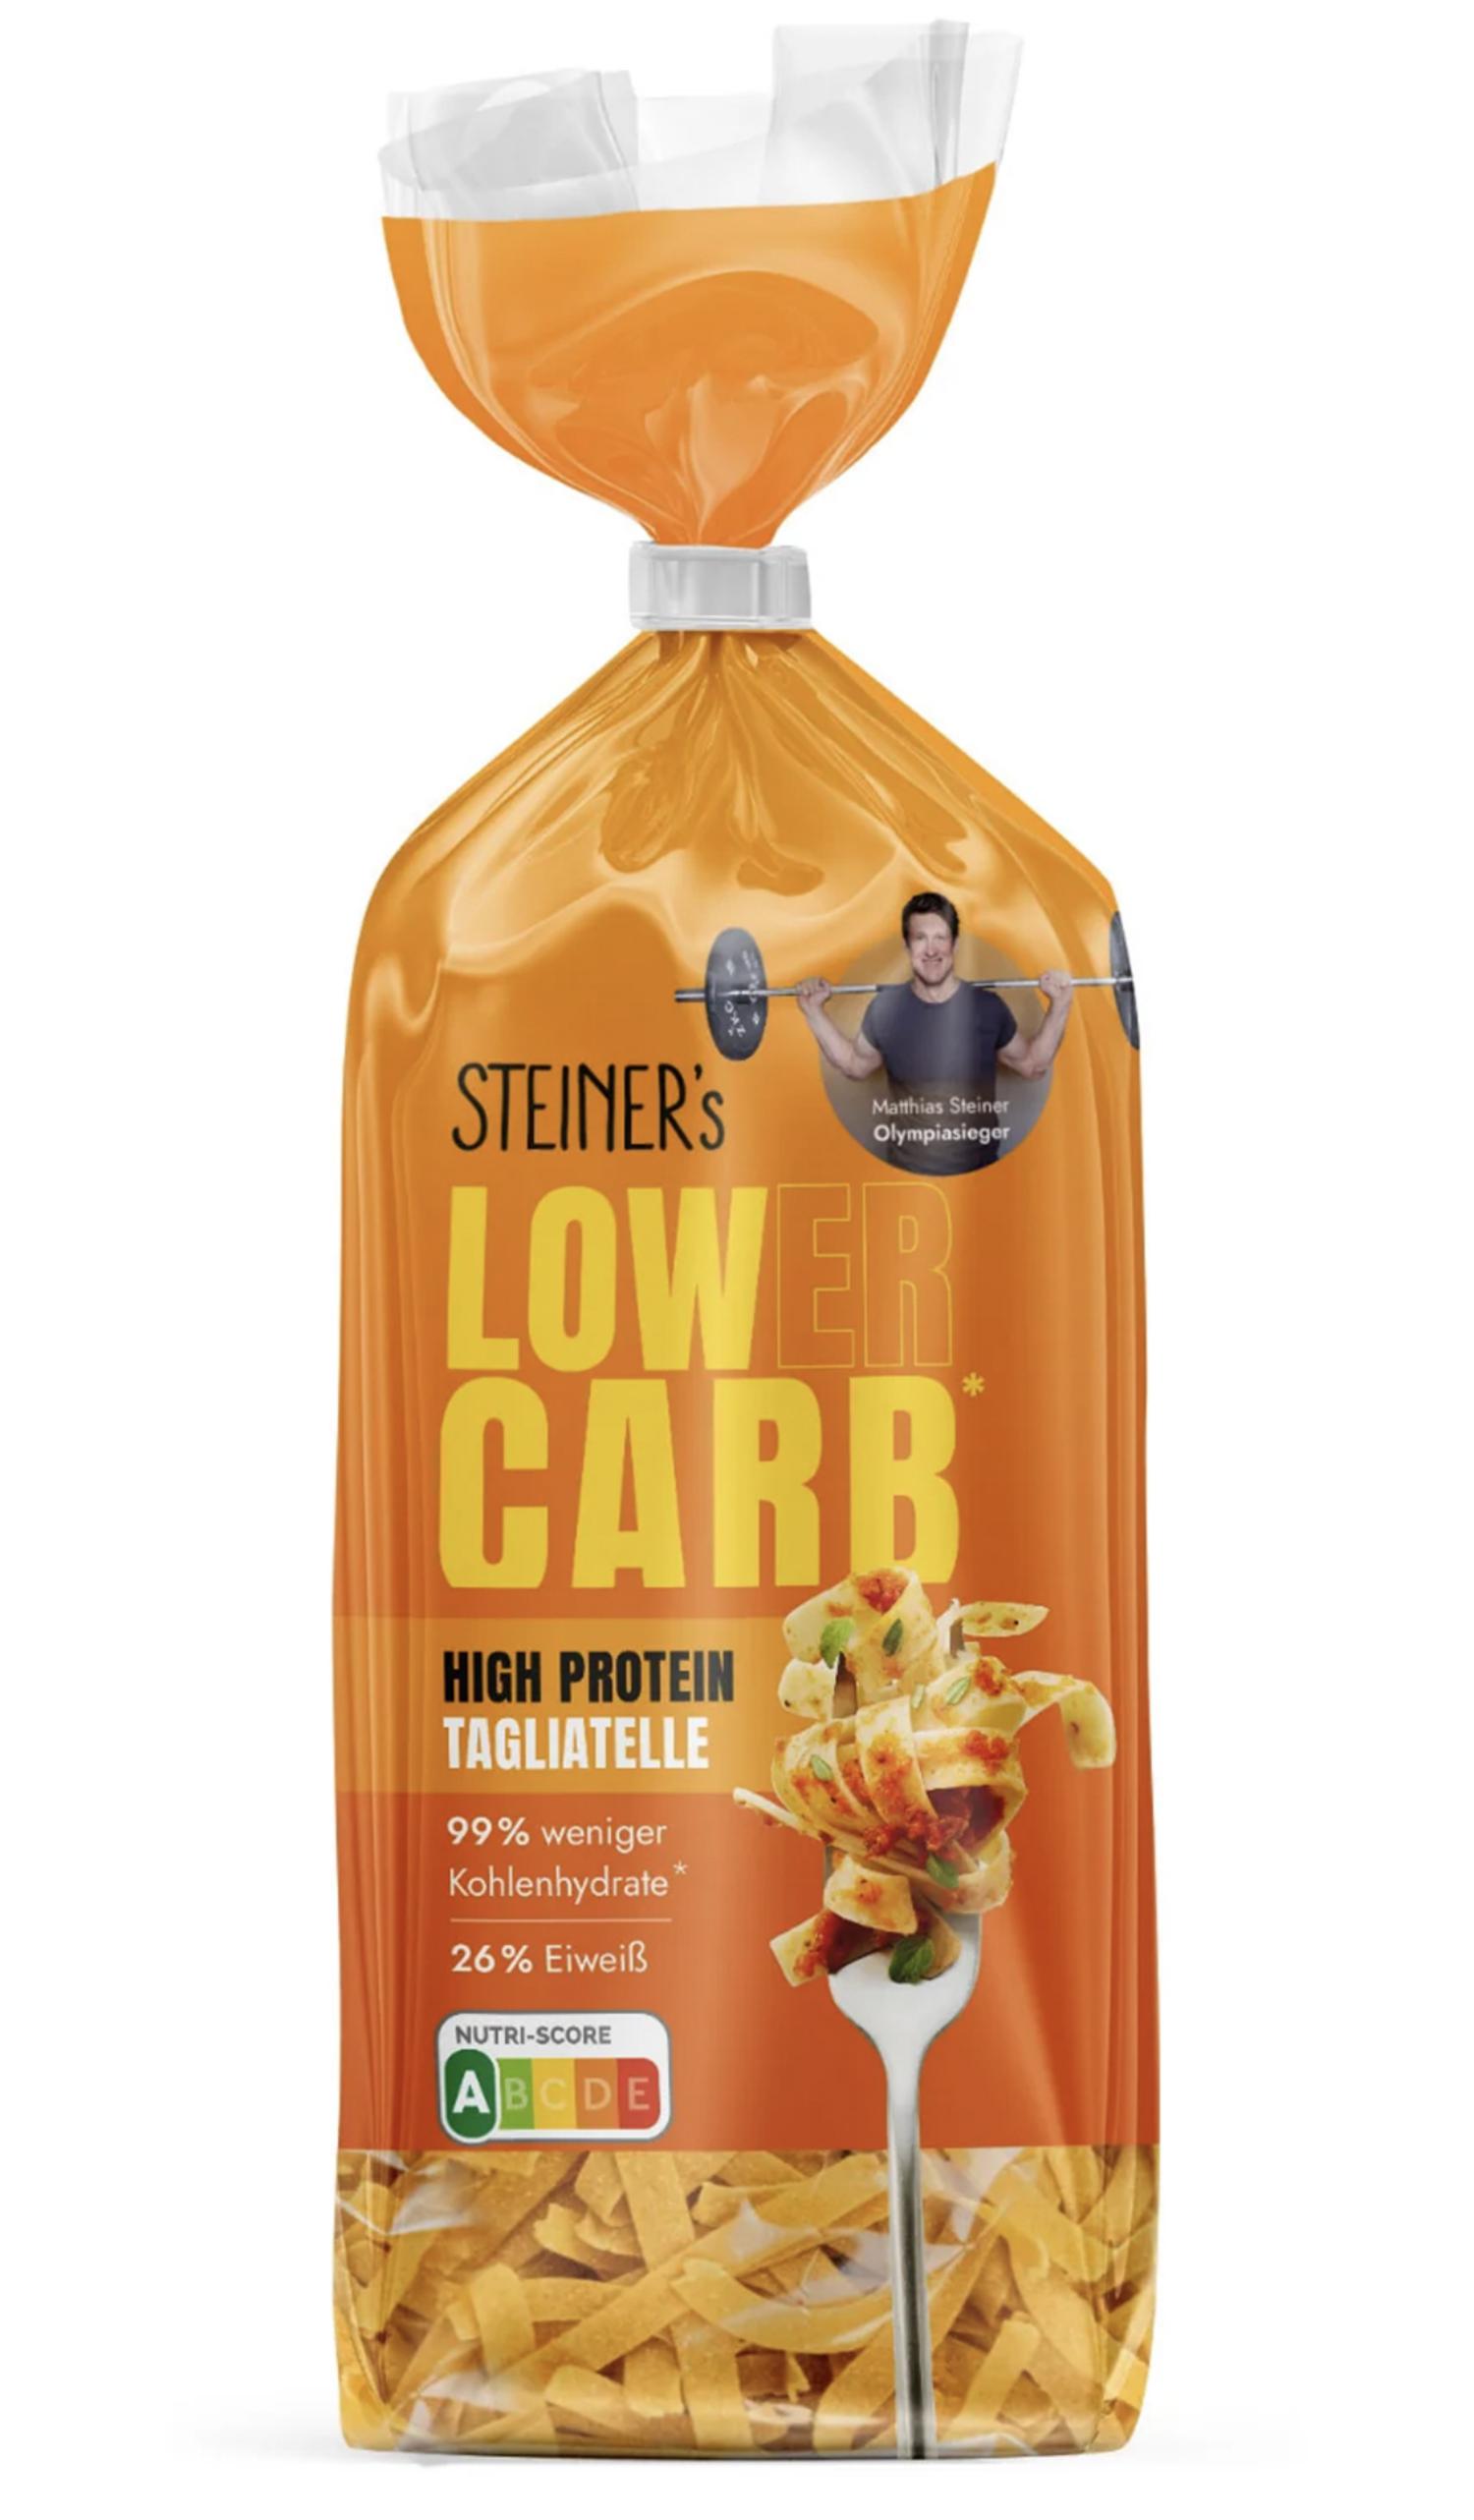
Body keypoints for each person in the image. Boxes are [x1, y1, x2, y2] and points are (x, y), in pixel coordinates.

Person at [796, 890, 1074, 1174]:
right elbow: (854, 1065)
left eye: (940, 938)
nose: (931, 950)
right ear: (907, 946)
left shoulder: (988, 1008)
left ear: (954, 944)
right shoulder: (885, 1009)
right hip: (908, 1175)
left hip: (979, 1177)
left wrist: (1060, 1005)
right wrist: (813, 1012)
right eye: (921, 938)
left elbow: (1033, 1066)